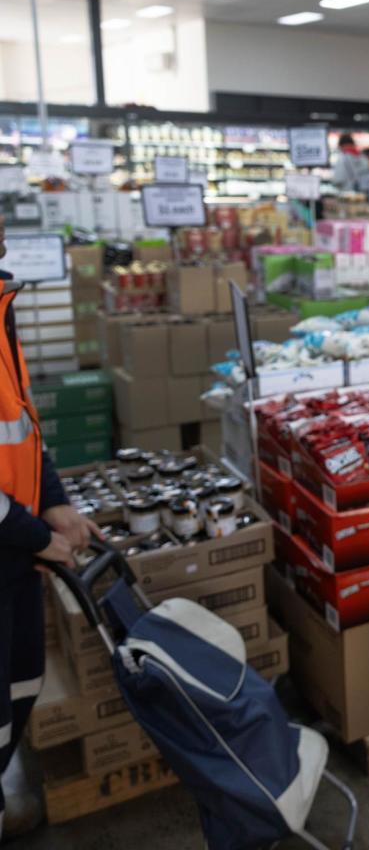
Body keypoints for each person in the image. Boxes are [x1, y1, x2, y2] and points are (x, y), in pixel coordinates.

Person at [0, 215, 101, 837]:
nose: (6, 240)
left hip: (12, 553)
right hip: (11, 541)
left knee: (21, 685)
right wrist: (35, 535)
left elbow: (20, 425)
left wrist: (55, 498)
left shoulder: (0, 305)